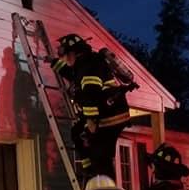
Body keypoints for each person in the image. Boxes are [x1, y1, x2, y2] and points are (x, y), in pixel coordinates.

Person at [50, 34, 132, 181]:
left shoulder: (88, 65)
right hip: (111, 114)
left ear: (72, 52)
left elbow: (90, 93)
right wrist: (54, 63)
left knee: (101, 156)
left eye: (65, 55)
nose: (65, 59)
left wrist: (91, 120)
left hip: (108, 117)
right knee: (77, 132)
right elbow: (73, 75)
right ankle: (90, 170)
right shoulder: (86, 62)